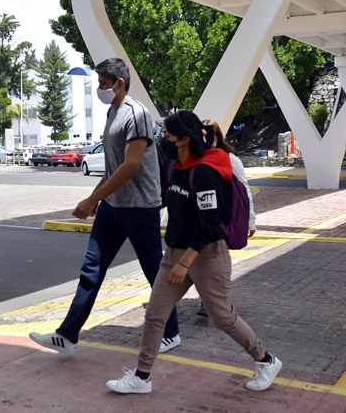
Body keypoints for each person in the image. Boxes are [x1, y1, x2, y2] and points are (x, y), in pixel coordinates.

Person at [105, 111, 282, 394]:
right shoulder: (176, 167)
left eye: (166, 134)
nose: (161, 139)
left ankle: (266, 359)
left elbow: (209, 224)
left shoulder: (204, 173)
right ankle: (141, 377)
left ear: (184, 138)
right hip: (175, 253)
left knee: (222, 317)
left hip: (206, 254)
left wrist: (184, 264)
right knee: (154, 315)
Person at [29, 57, 181, 356]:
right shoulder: (113, 112)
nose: (99, 89)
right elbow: (113, 169)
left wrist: (94, 199)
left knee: (154, 271)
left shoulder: (136, 113)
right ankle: (67, 335)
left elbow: (132, 165)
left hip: (140, 207)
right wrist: (94, 197)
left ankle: (171, 332)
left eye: (103, 83)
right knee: (91, 269)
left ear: (119, 83)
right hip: (114, 206)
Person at [196, 119, 257, 317]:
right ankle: (208, 300)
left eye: (207, 135)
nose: (203, 139)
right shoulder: (197, 156)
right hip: (202, 218)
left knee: (215, 259)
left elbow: (244, 189)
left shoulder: (229, 158)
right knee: (203, 260)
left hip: (223, 218)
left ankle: (213, 302)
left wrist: (251, 220)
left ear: (216, 136)